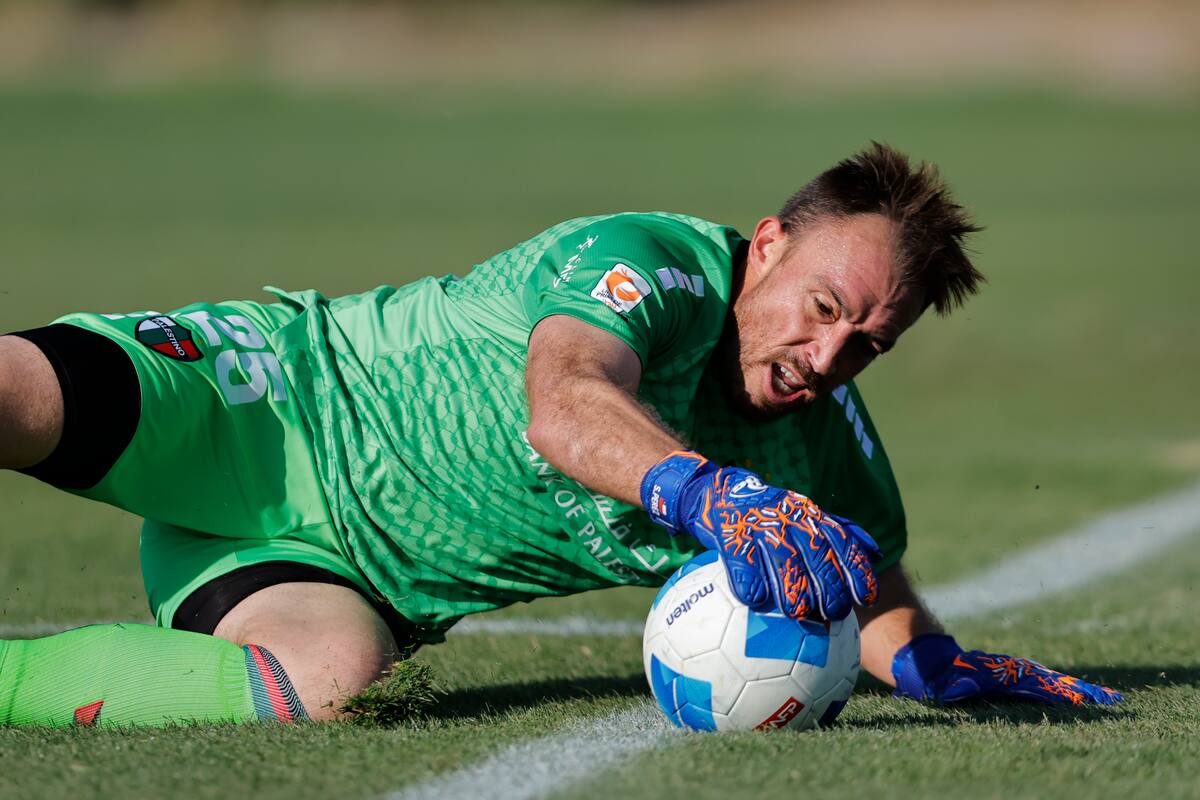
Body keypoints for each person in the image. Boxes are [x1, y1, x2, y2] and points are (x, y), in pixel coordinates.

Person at [0, 143, 1120, 727]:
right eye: (825, 311)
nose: (827, 359)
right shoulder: (658, 263)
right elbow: (567, 400)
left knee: (330, 683)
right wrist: (707, 491)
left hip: (318, 572)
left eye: (868, 346)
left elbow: (860, 570)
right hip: (269, 401)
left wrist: (931, 661)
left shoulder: (821, 432)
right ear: (771, 245)